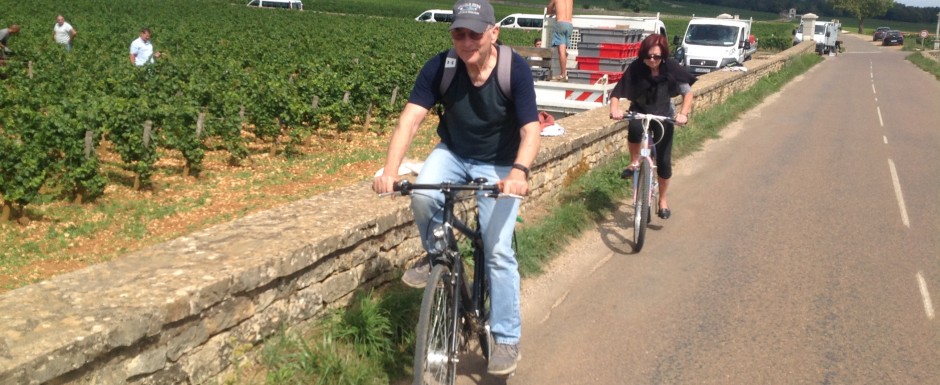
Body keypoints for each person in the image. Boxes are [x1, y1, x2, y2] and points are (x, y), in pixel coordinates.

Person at [372, 0, 539, 375]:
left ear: (494, 33)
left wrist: (519, 173)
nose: (466, 41)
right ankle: (437, 257)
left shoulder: (515, 70)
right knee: (424, 194)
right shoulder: (441, 67)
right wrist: (390, 170)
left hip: (500, 162)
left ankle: (507, 340)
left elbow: (531, 130)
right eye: (458, 33)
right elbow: (410, 121)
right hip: (454, 152)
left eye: (475, 34)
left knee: (497, 251)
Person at [609, 34, 696, 220]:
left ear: (663, 55)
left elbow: (688, 94)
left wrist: (683, 114)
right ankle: (634, 162)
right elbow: (617, 92)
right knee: (634, 129)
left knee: (664, 162)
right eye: (648, 56)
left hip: (663, 114)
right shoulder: (637, 67)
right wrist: (615, 109)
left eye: (656, 56)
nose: (652, 60)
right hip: (640, 110)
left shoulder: (671, 67)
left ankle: (663, 200)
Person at [547, 0, 572, 80]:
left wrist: (554, 12)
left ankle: (562, 74)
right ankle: (564, 69)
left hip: (560, 24)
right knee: (563, 51)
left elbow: (549, 10)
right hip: (569, 24)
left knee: (561, 52)